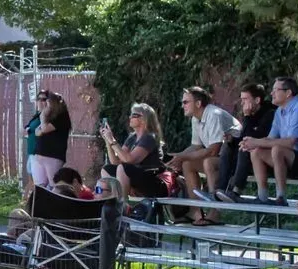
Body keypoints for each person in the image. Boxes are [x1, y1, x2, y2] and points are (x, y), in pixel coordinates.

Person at [241, 75, 298, 202]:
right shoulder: (279, 111)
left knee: (277, 149)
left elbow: (290, 142)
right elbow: (270, 139)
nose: (271, 93)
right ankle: (262, 197)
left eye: (276, 90)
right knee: (256, 151)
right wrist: (250, 143)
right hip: (292, 161)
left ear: (288, 93)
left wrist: (256, 141)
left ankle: (281, 197)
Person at [167, 86, 237, 222]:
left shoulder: (214, 114)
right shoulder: (196, 117)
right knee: (187, 164)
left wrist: (181, 157)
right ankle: (196, 211)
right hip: (221, 159)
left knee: (208, 162)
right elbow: (196, 146)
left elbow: (213, 150)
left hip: (237, 161)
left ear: (198, 104)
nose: (182, 106)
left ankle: (215, 213)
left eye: (186, 102)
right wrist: (176, 157)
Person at [217, 83, 275, 200]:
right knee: (227, 148)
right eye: (241, 99)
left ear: (257, 100)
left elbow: (256, 138)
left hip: (265, 159)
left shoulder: (270, 114)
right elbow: (245, 137)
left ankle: (236, 191)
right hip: (250, 157)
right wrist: (232, 140)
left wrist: (247, 116)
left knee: (245, 149)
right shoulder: (251, 114)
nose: (242, 103)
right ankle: (221, 190)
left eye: (245, 99)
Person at [97, 103, 166, 199]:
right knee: (107, 169)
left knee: (122, 168)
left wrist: (112, 140)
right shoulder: (132, 137)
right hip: (135, 176)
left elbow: (129, 160)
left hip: (152, 180)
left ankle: (121, 205)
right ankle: (110, 201)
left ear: (143, 119)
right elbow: (116, 161)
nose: (130, 117)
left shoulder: (149, 138)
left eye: (133, 115)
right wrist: (107, 141)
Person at [25, 89, 71, 189]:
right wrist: (43, 121)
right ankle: (40, 204)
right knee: (39, 186)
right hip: (40, 154)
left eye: (47, 101)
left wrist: (43, 115)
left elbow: (44, 129)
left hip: (53, 156)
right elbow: (38, 132)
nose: (46, 103)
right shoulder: (47, 117)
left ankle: (54, 204)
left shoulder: (61, 117)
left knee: (54, 185)